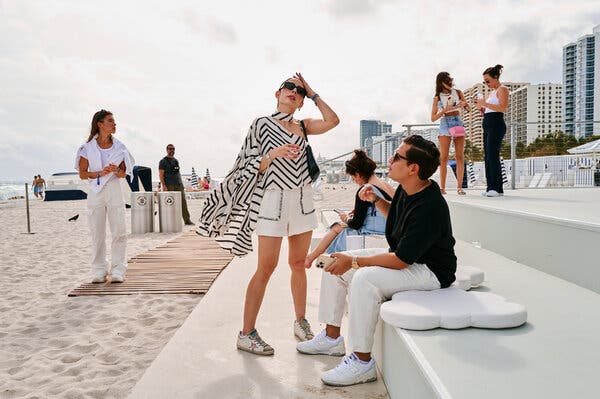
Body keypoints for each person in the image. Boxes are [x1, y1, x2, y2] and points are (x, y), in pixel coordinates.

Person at [297, 135, 456, 387]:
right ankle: (331, 338)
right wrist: (377, 201)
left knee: (363, 277)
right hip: (410, 261)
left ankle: (362, 362)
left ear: (413, 168)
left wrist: (356, 262)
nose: (390, 160)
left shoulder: (430, 206)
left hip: (430, 271)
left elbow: (402, 260)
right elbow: (398, 216)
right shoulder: (409, 188)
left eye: (397, 157)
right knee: (335, 262)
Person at [198, 73, 339, 355]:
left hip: (302, 198)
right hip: (272, 199)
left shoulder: (304, 125)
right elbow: (245, 164)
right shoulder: (261, 124)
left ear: (301, 101)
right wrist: (273, 154)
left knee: (298, 263)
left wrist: (313, 93)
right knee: (266, 267)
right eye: (288, 87)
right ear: (277, 93)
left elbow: (333, 121)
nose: (293, 91)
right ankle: (246, 333)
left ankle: (301, 322)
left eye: (298, 90)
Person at [304, 149, 394, 267]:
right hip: (390, 230)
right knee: (339, 228)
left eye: (353, 177)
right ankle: (313, 258)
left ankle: (313, 259)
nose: (355, 181)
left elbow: (356, 224)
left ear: (358, 174)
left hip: (375, 233)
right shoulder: (384, 184)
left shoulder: (366, 189)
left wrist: (345, 218)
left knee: (336, 227)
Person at [75, 109, 134, 283]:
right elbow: (83, 174)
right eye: (110, 121)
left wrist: (115, 169)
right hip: (95, 192)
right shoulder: (86, 148)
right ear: (100, 124)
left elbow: (123, 173)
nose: (114, 124)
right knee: (97, 232)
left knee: (119, 231)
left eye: (114, 121)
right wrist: (101, 172)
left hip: (114, 189)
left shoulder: (120, 147)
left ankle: (118, 269)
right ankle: (99, 270)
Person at [430, 72, 470, 195]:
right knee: (443, 158)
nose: (450, 83)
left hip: (457, 121)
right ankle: (442, 188)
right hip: (445, 123)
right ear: (440, 82)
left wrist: (464, 105)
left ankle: (459, 187)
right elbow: (433, 118)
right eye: (447, 81)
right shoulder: (437, 97)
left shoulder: (458, 92)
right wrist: (444, 110)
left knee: (459, 156)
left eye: (450, 80)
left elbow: (468, 109)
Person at [475, 64, 509, 197]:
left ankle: (496, 187)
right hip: (488, 123)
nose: (486, 83)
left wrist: (484, 104)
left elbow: (502, 108)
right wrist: (482, 109)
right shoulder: (491, 93)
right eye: (484, 81)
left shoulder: (503, 89)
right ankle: (492, 187)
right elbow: (490, 109)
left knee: (493, 156)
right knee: (488, 156)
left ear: (496, 77)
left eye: (488, 80)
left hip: (496, 123)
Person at [159, 144, 194, 225]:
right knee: (170, 203)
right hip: (169, 184)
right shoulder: (163, 161)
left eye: (173, 149)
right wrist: (164, 186)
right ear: (167, 150)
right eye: (170, 149)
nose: (172, 150)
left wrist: (181, 182)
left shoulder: (176, 161)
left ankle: (187, 220)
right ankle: (170, 222)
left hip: (178, 184)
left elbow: (178, 172)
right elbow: (161, 174)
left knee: (183, 202)